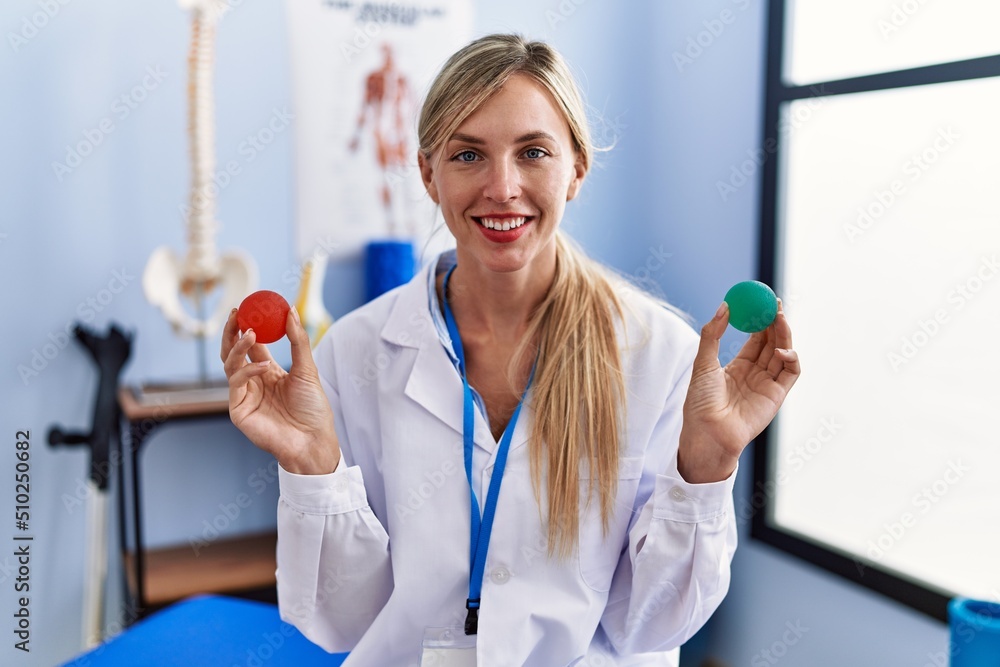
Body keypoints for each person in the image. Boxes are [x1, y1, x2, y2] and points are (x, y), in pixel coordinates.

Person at [221, 34, 800, 667]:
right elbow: (346, 623)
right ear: (428, 173)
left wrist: (707, 466)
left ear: (576, 168)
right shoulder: (354, 352)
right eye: (468, 154)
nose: (502, 188)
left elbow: (650, 627)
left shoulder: (660, 355)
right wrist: (314, 467)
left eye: (533, 153)